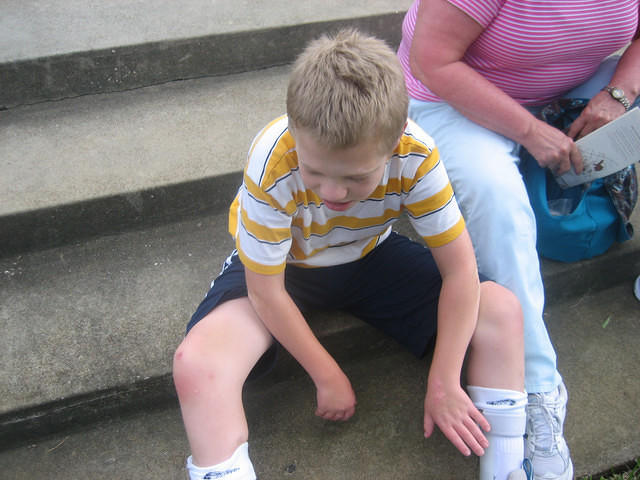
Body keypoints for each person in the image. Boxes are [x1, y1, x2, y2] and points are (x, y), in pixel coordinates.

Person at [173, 29, 533, 480]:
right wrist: (327, 373)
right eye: (315, 171)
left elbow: (460, 270)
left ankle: (508, 464)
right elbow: (266, 293)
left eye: (357, 177)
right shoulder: (273, 157)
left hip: (370, 257)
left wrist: (444, 380)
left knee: (500, 308)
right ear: (294, 128)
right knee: (197, 364)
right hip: (287, 268)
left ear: (397, 138)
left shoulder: (416, 154)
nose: (332, 192)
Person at [397, 1, 640, 479]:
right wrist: (530, 131)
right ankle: (537, 387)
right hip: (452, 96)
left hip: (576, 82)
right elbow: (434, 58)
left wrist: (620, 91)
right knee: (498, 199)